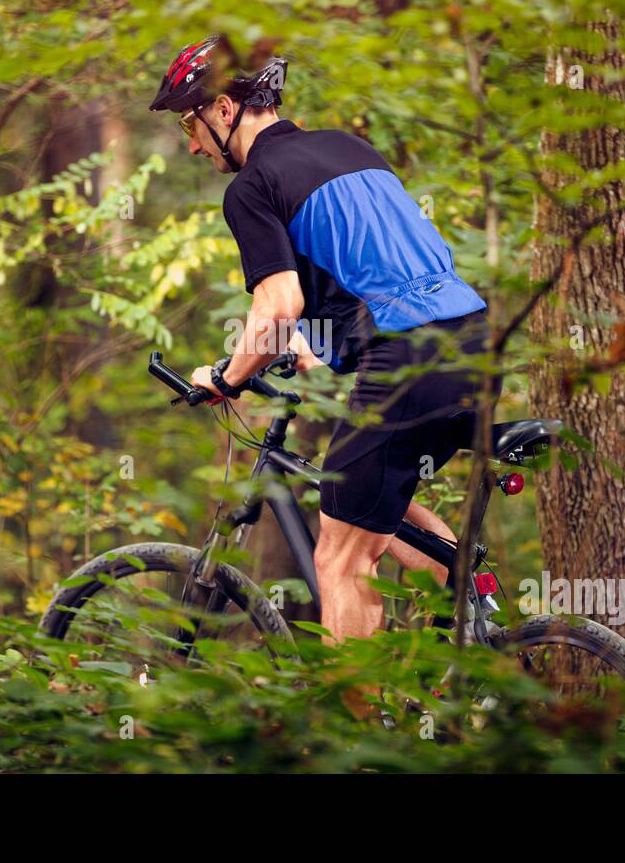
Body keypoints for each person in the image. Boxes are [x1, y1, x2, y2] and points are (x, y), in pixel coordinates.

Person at [148, 35, 489, 689]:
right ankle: (479, 642)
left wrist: (226, 377)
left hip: (405, 355)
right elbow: (374, 265)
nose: (192, 145)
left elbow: (278, 304)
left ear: (224, 109)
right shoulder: (349, 148)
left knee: (338, 559)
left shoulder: (251, 186)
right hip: (472, 339)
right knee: (364, 503)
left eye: (191, 126)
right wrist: (317, 344)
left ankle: (354, 743)